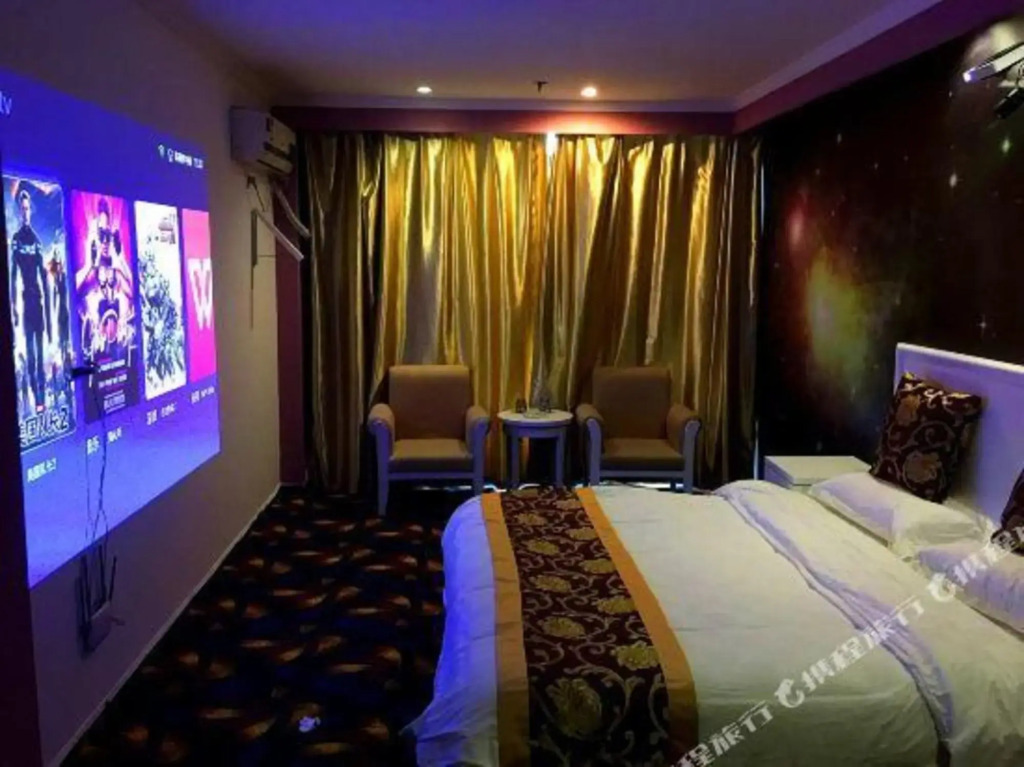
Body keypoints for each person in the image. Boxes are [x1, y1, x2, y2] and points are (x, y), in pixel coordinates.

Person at [9, 187, 50, 411]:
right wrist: (14, 306)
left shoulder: (36, 240)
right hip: (26, 303)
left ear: (30, 211)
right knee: (32, 356)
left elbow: (44, 277)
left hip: (39, 304)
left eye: (27, 209)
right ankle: (36, 398)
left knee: (40, 354)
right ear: (19, 211)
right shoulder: (16, 239)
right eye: (22, 209)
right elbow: (12, 275)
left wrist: (50, 318)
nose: (25, 213)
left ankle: (41, 400)